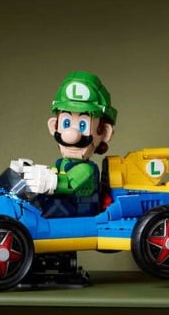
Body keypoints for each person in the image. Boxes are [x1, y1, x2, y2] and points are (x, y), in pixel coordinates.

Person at [17, 71, 118, 218]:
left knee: (33, 207)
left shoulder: (86, 170)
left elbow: (67, 184)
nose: (71, 135)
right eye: (66, 123)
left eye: (83, 125)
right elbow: (51, 173)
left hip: (77, 213)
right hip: (66, 208)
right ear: (54, 126)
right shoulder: (61, 163)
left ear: (104, 133)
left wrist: (43, 181)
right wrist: (28, 172)